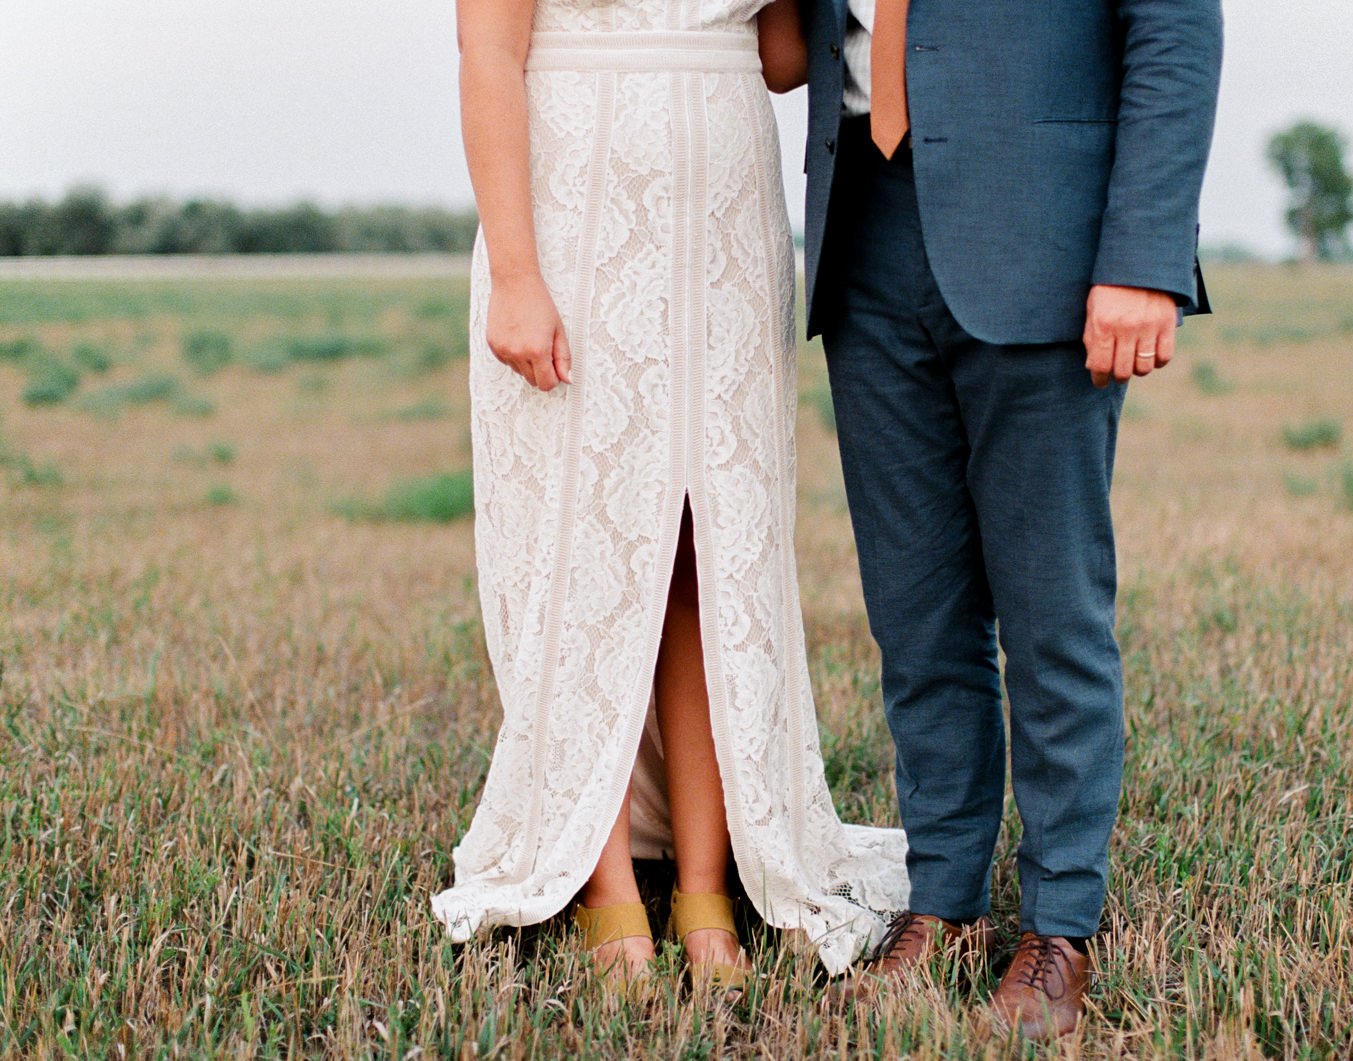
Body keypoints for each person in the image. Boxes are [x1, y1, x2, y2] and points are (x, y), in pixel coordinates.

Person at [430, 0, 909, 992]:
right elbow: (487, 55)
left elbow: (780, 59)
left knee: (707, 551)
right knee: (581, 548)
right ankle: (605, 884)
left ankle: (704, 886)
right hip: (574, 216)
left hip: (727, 231)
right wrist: (516, 272)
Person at [797, 0, 1223, 1040]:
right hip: (862, 225)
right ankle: (941, 902)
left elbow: (1173, 28)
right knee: (915, 612)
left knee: (1050, 611)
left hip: (1047, 232)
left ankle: (1060, 927)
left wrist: (1143, 256)